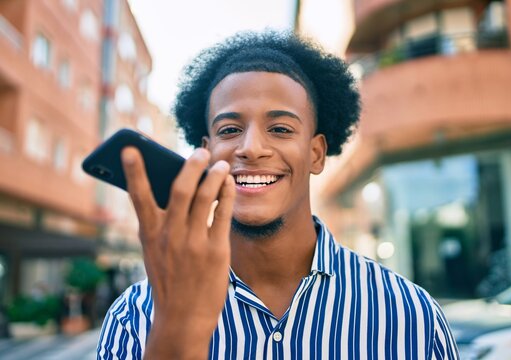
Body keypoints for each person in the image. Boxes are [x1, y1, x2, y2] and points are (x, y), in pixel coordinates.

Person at [97, 30, 459, 359]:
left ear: (316, 153)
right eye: (230, 129)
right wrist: (174, 333)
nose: (251, 148)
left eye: (281, 128)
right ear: (205, 152)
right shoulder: (134, 317)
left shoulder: (410, 316)